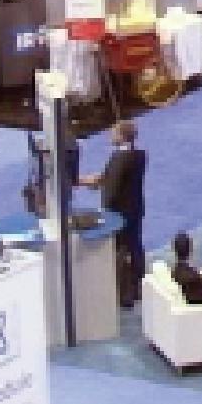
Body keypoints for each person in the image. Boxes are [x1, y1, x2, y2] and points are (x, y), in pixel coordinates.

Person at [84, 120, 147, 307]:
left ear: (121, 136)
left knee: (120, 251)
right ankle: (139, 286)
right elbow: (115, 177)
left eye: (113, 132)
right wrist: (99, 179)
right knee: (135, 246)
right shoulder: (139, 154)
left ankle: (124, 294)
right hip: (135, 208)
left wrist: (104, 210)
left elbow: (113, 187)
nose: (110, 135)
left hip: (119, 213)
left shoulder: (119, 158)